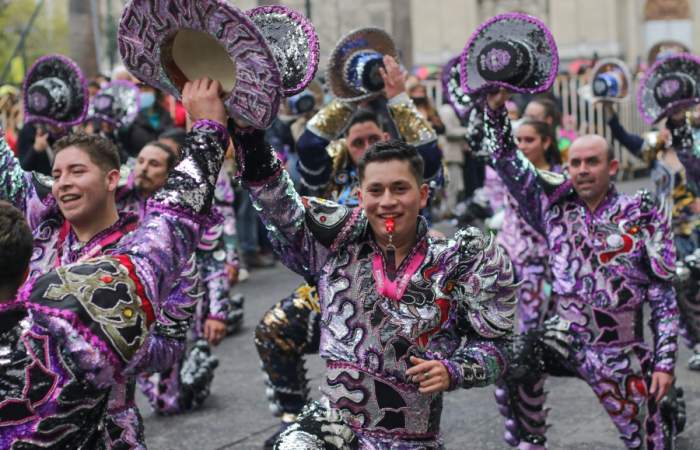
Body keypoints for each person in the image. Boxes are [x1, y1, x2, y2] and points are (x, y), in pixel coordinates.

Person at [230, 108, 516, 448]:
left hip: (410, 437)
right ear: (360, 194)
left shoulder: (456, 260)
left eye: (400, 189)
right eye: (376, 190)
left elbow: (499, 347)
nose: (388, 202)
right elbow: (277, 203)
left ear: (423, 194)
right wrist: (248, 135)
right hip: (334, 424)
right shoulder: (336, 244)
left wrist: (454, 370)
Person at [0, 78, 230, 448]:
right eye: (56, 174)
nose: (63, 184)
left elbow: (169, 345)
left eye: (77, 171)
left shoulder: (150, 254)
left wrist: (99, 348)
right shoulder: (42, 229)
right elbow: (7, 172)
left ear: (111, 179)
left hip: (108, 426)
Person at [255, 54, 443, 448]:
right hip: (333, 291)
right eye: (358, 141)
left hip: (401, 298)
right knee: (273, 329)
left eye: (374, 139)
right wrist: (349, 97)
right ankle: (299, 419)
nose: (366, 145)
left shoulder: (403, 177)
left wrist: (398, 99)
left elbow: (429, 157)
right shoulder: (331, 170)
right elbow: (308, 143)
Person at [485, 91, 683, 449]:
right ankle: (530, 443)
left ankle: (664, 413)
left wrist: (665, 362)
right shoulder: (552, 207)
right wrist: (496, 110)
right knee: (514, 361)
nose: (582, 170)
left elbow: (663, 295)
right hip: (566, 338)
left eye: (592, 162)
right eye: (575, 163)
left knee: (647, 441)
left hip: (619, 349)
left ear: (612, 168)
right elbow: (506, 162)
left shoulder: (640, 213)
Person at [605, 102, 700, 371]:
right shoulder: (654, 153)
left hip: (693, 229)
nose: (663, 130)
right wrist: (610, 112)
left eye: (667, 125)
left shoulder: (693, 152)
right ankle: (695, 343)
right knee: (676, 288)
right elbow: (622, 137)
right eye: (659, 126)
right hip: (664, 232)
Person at [483, 118, 561, 334]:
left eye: (529, 140)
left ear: (545, 143)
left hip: (547, 259)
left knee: (548, 318)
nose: (523, 145)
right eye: (519, 140)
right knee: (523, 321)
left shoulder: (559, 178)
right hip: (511, 255)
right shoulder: (512, 173)